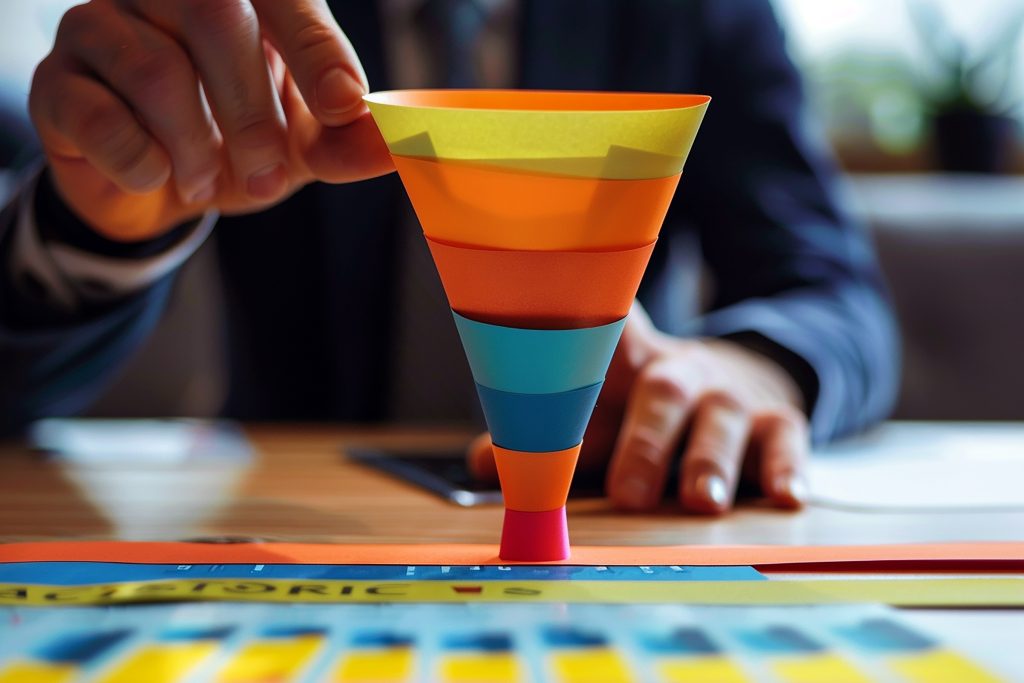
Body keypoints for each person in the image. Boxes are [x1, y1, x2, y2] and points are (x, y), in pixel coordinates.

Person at [0, 0, 898, 515]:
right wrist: (97, 227)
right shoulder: (226, 17)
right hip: (285, 531)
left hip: (620, 520)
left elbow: (828, 289)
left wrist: (751, 367)